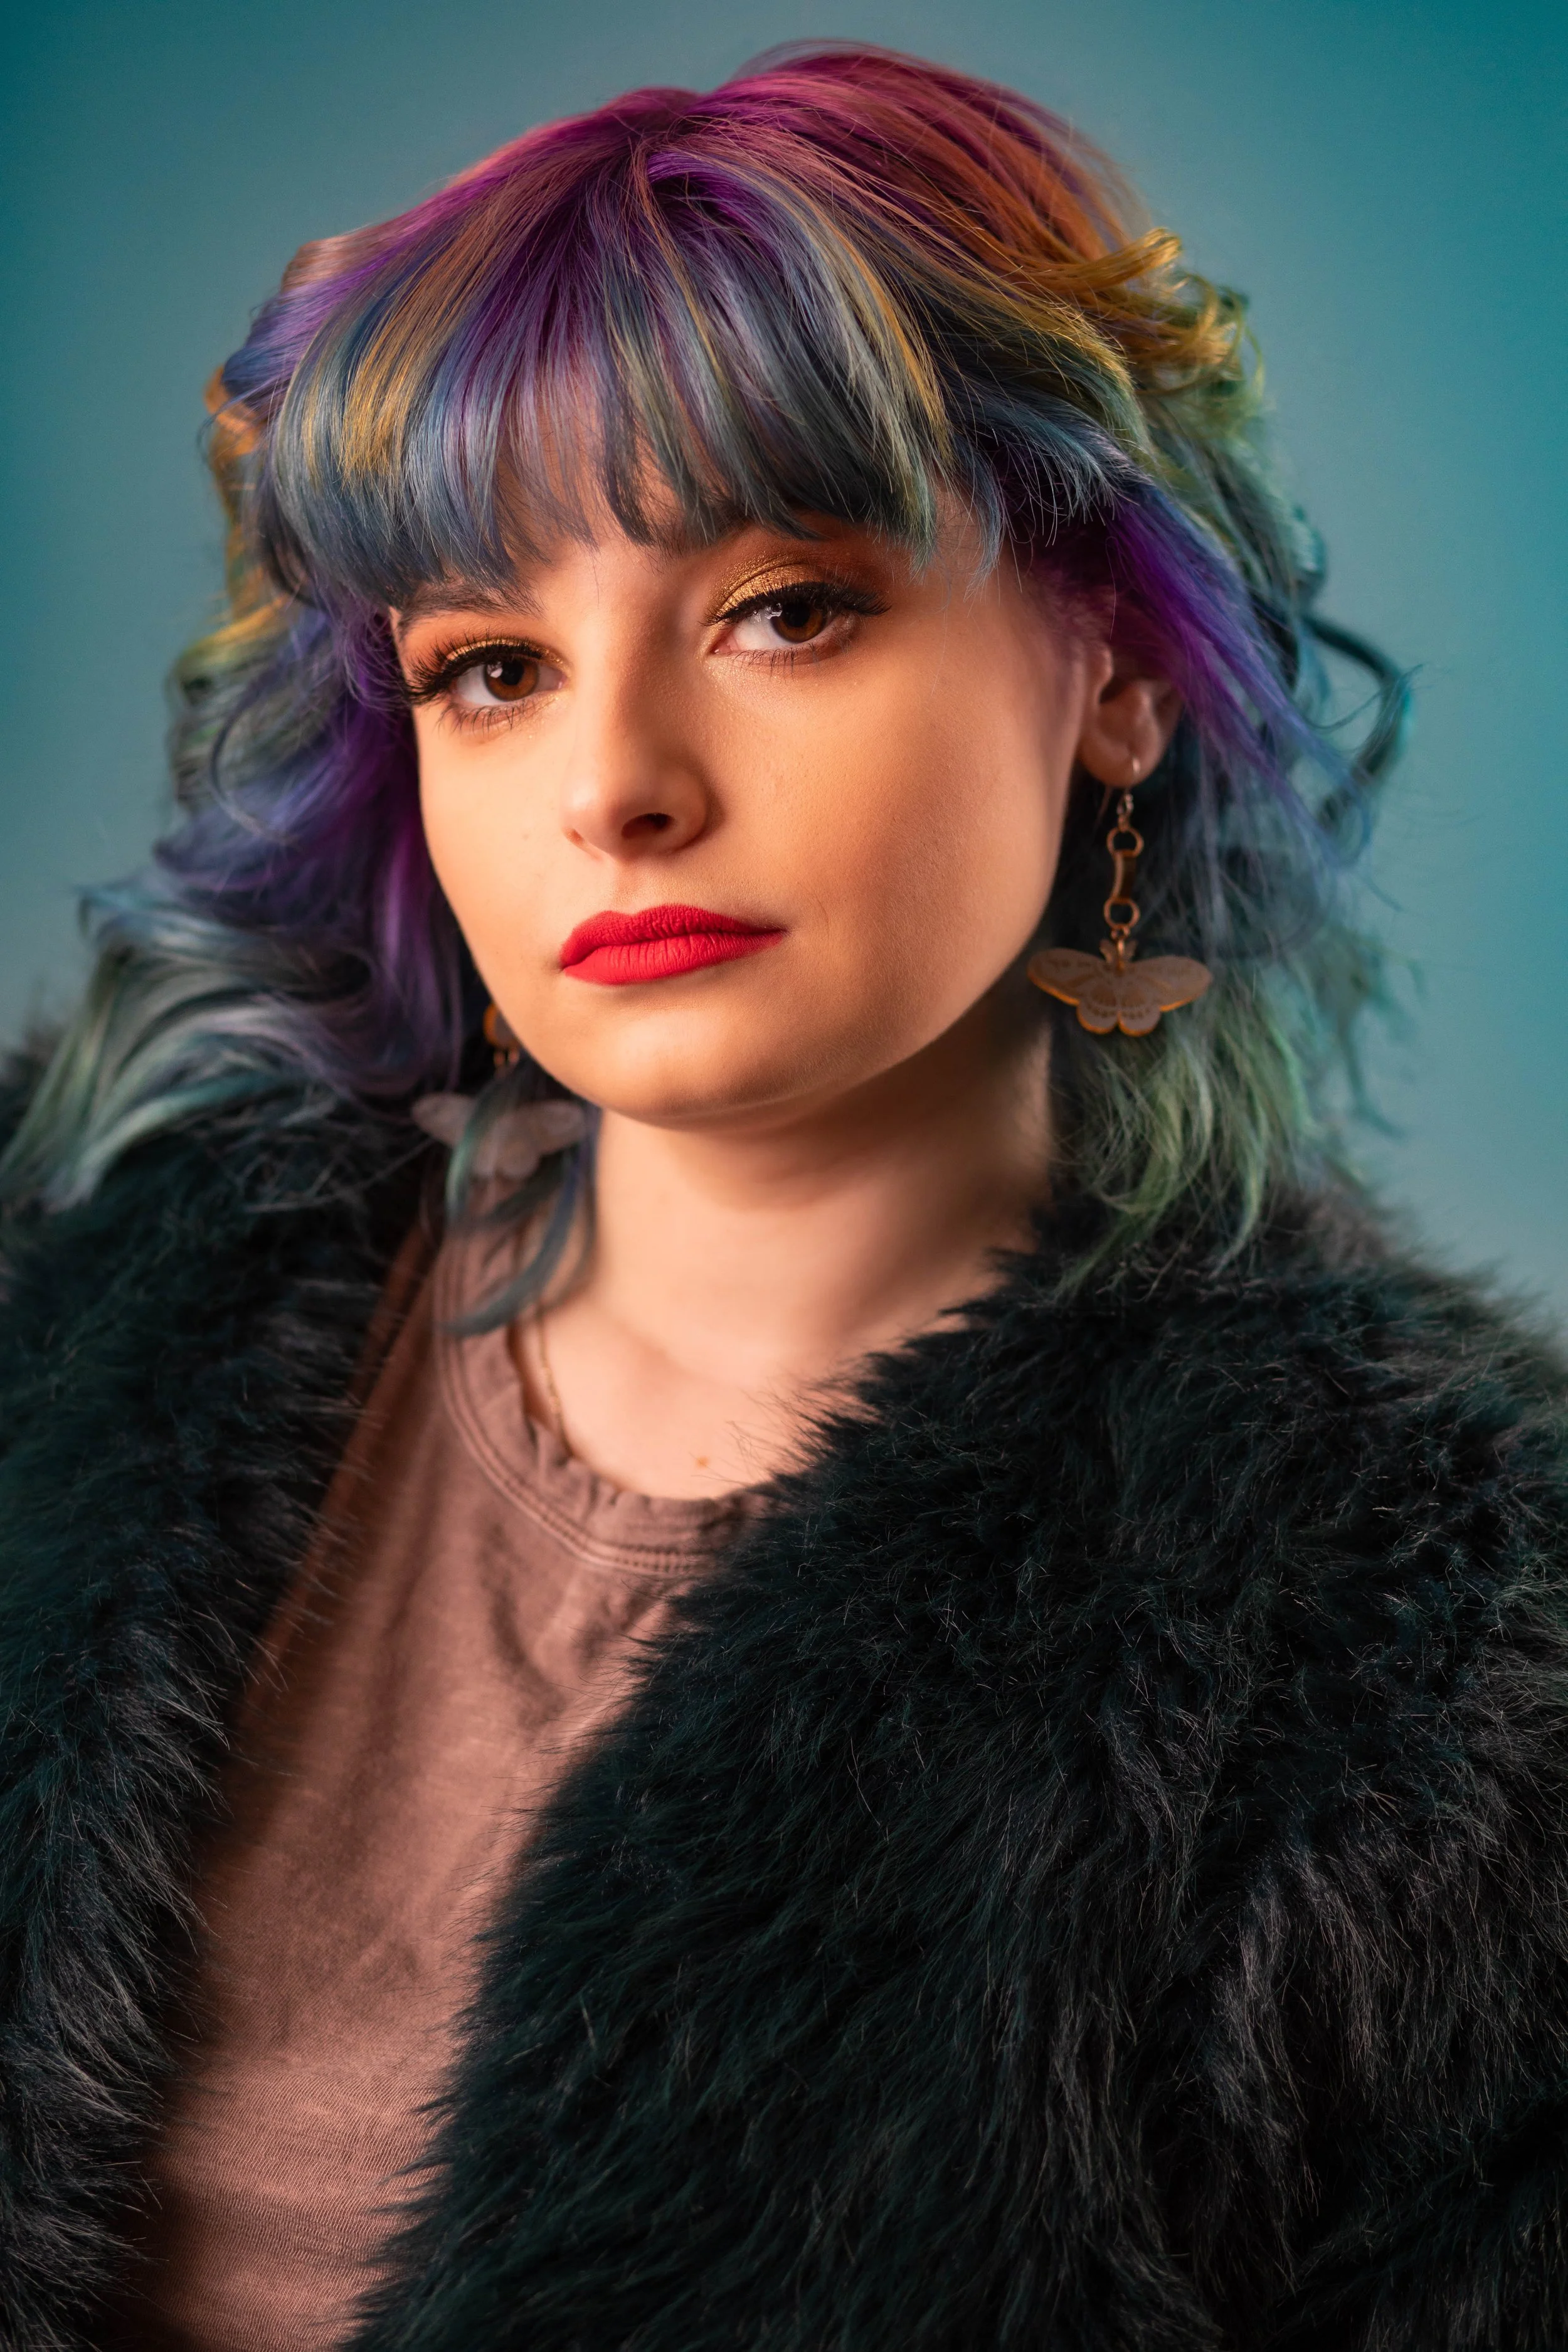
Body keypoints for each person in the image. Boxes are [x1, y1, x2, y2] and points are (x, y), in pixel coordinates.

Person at [1, 41, 1565, 2352]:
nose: (614, 785)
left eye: (784, 608)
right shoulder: (66, 1308)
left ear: (1113, 663)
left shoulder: (1442, 1667)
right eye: (492, 666)